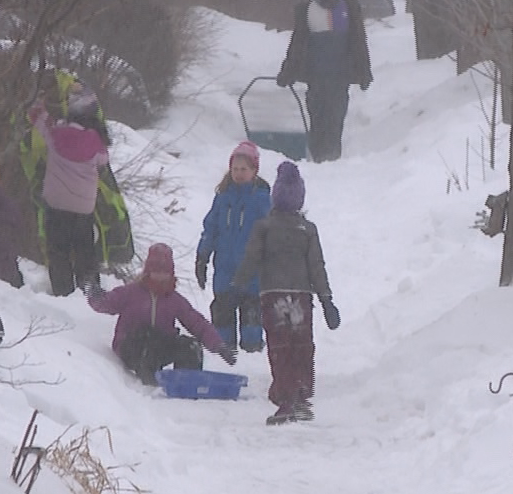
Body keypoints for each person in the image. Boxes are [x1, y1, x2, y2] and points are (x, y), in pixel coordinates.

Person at [230, 161, 339, 425]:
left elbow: (251, 260)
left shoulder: (264, 227)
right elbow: (317, 266)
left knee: (280, 345)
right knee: (301, 345)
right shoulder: (308, 230)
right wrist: (326, 300)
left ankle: (286, 398)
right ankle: (300, 395)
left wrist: (235, 289)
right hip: (302, 296)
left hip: (273, 296)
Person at [89, 243, 235, 385]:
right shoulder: (131, 292)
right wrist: (94, 294)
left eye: (164, 272)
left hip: (159, 346)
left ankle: (186, 382)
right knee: (148, 341)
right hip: (131, 346)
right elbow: (107, 302)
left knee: (191, 346)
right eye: (156, 271)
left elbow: (196, 322)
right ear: (148, 271)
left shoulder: (173, 299)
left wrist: (219, 345)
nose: (160, 276)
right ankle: (149, 380)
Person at [277, 0, 373, 163]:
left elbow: (358, 43)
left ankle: (332, 156)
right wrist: (288, 71)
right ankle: (319, 155)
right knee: (317, 116)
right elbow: (298, 43)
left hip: (340, 76)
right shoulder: (307, 10)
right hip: (316, 76)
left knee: (336, 116)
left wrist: (364, 71)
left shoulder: (349, 9)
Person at [28, 84, 112, 296]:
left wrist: (40, 101)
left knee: (58, 252)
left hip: (56, 203)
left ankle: (63, 293)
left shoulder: (56, 133)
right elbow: (103, 161)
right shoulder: (96, 142)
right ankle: (89, 292)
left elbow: (36, 117)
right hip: (84, 206)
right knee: (85, 251)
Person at [194, 140, 272, 355]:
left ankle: (253, 352)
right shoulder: (223, 197)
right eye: (235, 169)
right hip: (225, 270)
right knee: (222, 316)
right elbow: (211, 228)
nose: (238, 173)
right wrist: (202, 256)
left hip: (252, 272)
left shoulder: (261, 199)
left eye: (243, 169)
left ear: (254, 171)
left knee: (251, 320)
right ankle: (224, 353)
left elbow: (270, 232)